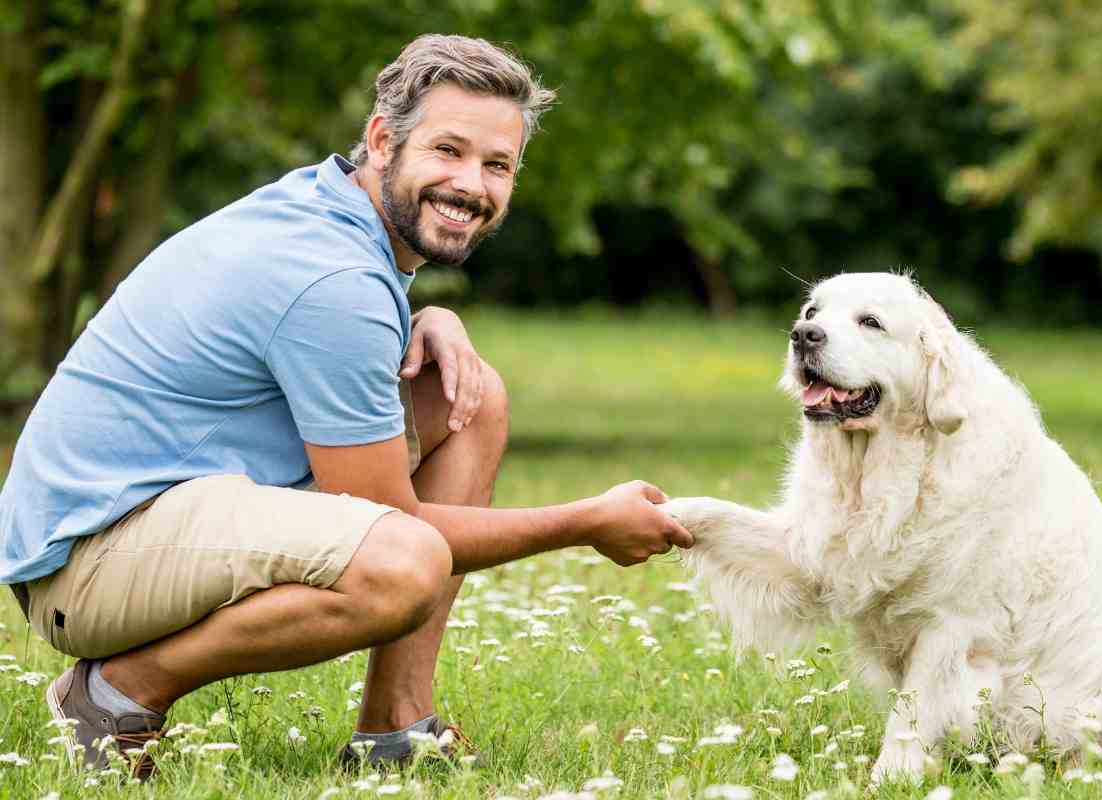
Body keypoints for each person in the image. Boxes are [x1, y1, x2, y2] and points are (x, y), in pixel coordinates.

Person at [0, 34, 693, 779]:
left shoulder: (327, 210)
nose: (472, 184)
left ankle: (396, 728)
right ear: (382, 139)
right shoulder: (332, 277)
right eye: (448, 151)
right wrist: (587, 521)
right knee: (403, 561)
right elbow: (389, 521)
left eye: (497, 165)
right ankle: (113, 697)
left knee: (472, 396)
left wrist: (427, 317)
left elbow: (320, 332)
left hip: (153, 508)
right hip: (88, 561)